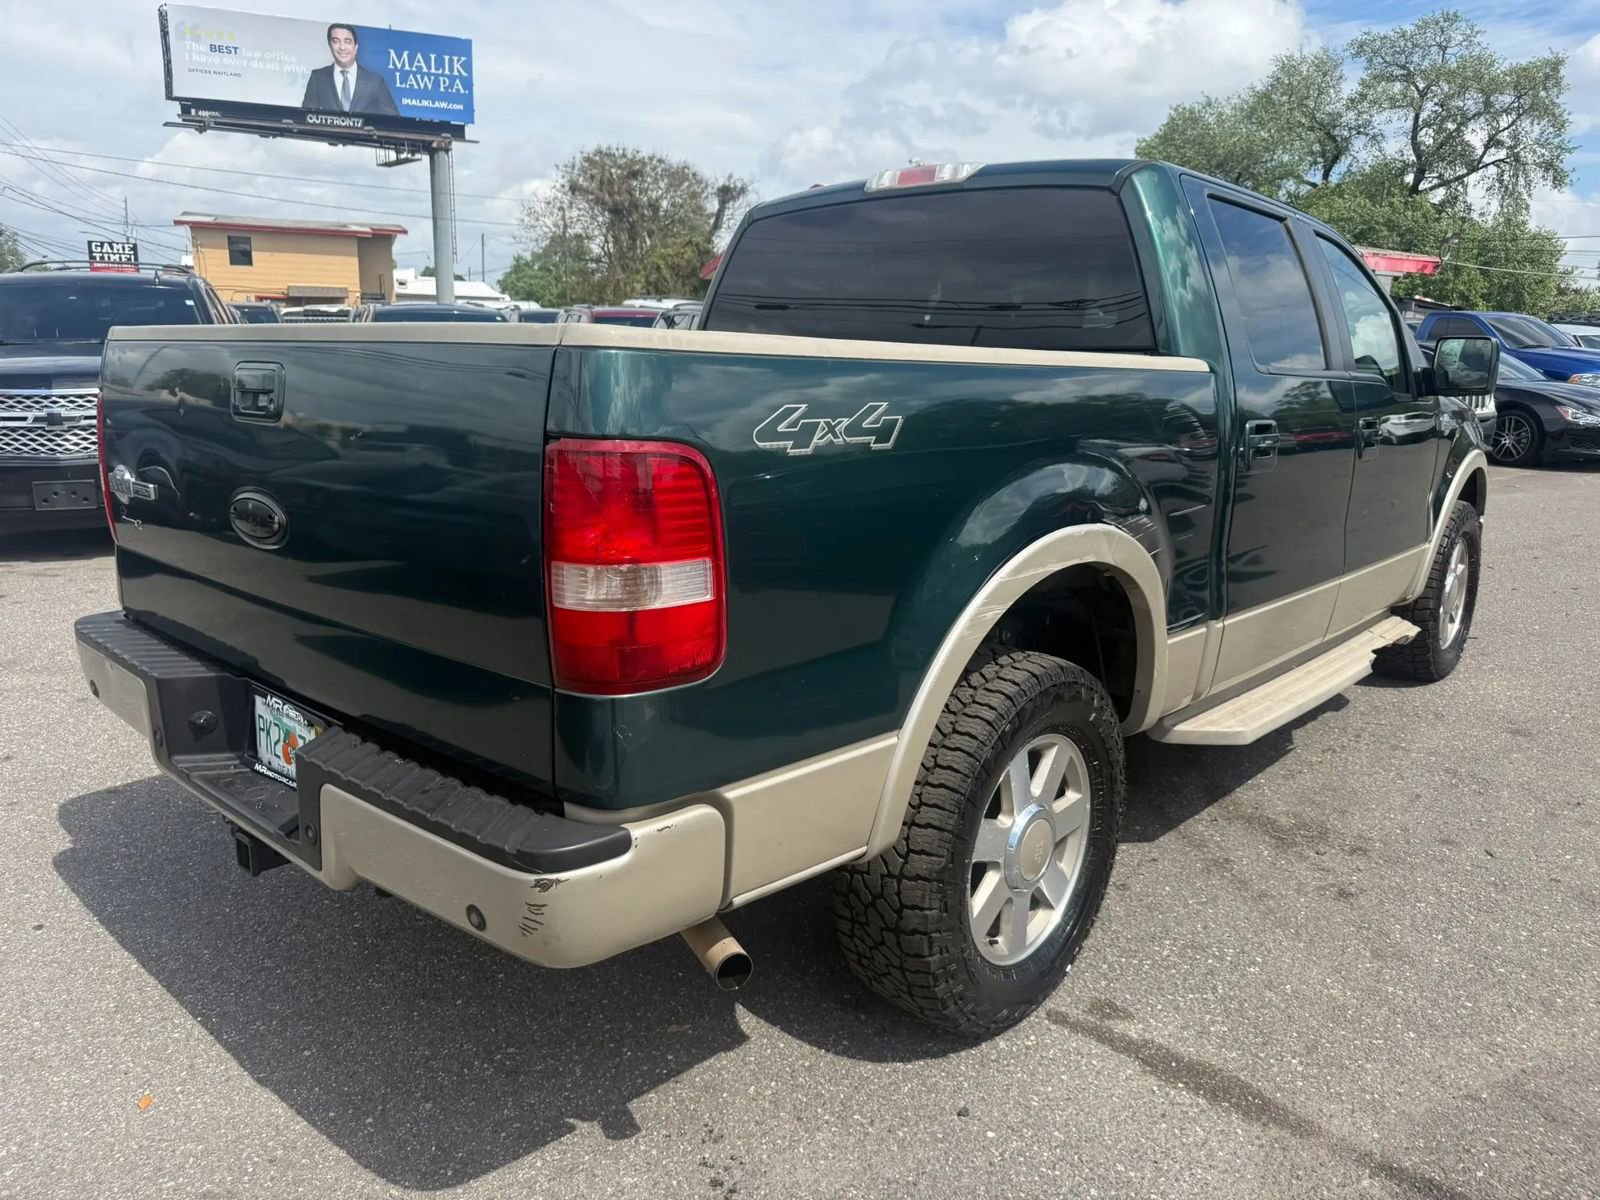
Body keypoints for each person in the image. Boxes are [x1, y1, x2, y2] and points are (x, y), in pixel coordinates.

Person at [301, 23, 398, 116]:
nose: (342, 47)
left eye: (347, 41)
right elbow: (305, 118)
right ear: (330, 46)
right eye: (336, 41)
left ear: (356, 47)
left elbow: (394, 121)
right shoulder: (317, 78)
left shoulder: (374, 81)